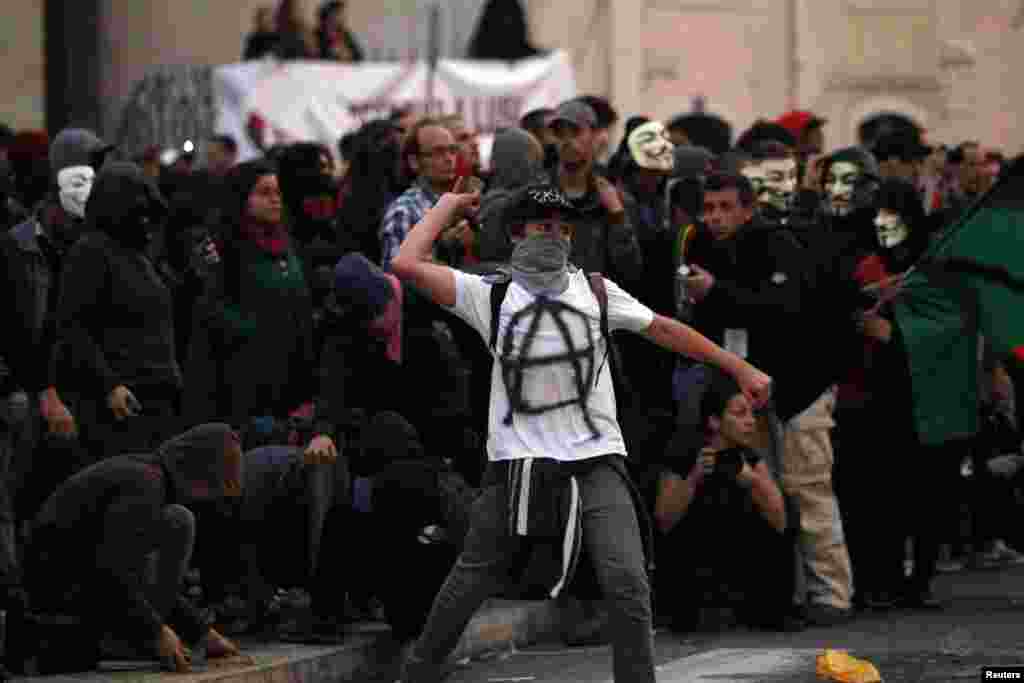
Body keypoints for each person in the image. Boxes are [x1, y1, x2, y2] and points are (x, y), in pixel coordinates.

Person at [390, 180, 771, 683]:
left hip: (596, 460)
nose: (552, 235)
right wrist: (447, 206)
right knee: (471, 580)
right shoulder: (491, 295)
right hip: (517, 465)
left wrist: (737, 367)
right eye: (540, 227)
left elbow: (663, 329)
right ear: (516, 235)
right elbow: (406, 263)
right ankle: (416, 675)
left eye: (560, 228)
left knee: (627, 582)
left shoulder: (595, 290)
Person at [10, 424, 243, 675]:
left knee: (176, 518)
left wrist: (199, 631)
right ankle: (129, 641)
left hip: (71, 581)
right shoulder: (144, 487)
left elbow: (131, 576)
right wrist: (154, 631)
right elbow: (110, 572)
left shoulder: (149, 477)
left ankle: (135, 637)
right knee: (179, 521)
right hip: (53, 595)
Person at [651, 368, 801, 633]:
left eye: (751, 414)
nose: (751, 422)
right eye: (739, 413)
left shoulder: (747, 456)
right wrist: (694, 478)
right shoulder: (685, 451)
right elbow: (663, 521)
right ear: (714, 421)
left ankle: (764, 609)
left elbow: (782, 522)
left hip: (739, 561)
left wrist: (753, 481)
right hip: (695, 566)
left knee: (787, 501)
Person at [55, 161, 185, 466]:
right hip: (119, 405)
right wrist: (108, 384)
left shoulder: (136, 254)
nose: (144, 219)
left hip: (156, 398)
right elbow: (74, 327)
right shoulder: (91, 251)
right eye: (137, 210)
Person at [380, 118, 458, 270]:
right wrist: (443, 247)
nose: (449, 159)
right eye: (438, 152)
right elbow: (399, 280)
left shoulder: (457, 204)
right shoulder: (403, 211)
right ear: (414, 162)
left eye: (452, 150)